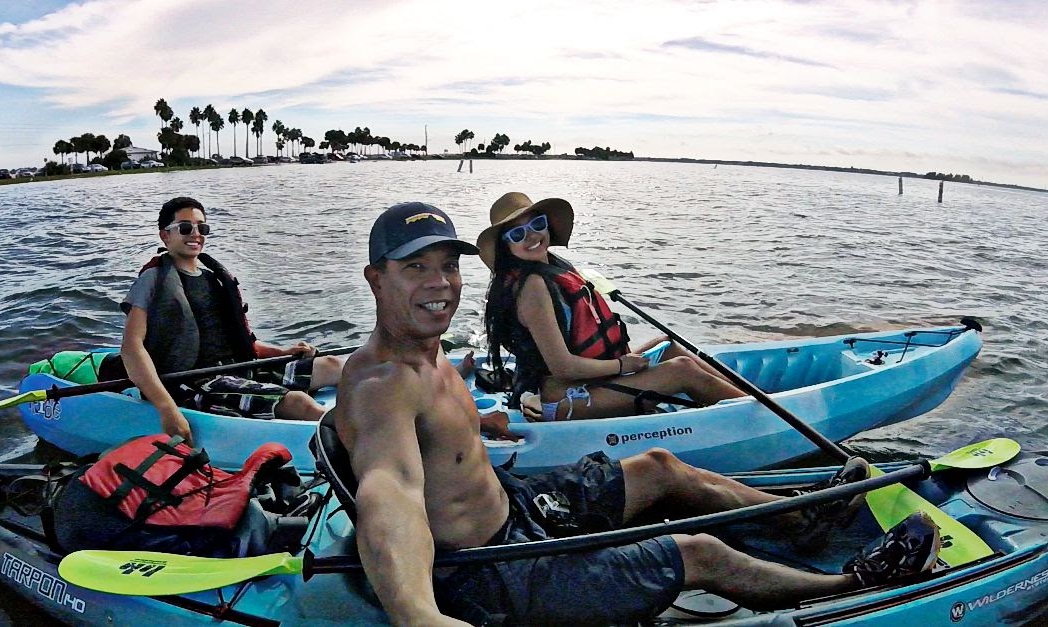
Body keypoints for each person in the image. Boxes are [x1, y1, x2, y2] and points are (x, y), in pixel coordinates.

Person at [329, 201, 941, 625]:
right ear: (375, 279)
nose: (440, 283)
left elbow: (432, 450)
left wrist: (477, 427)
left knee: (657, 466)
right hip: (489, 574)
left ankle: (805, 520)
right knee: (696, 552)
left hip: (510, 502)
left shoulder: (426, 358)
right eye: (416, 268)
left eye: (447, 265)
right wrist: (417, 615)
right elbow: (392, 488)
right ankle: (849, 586)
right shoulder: (380, 384)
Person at [479, 191, 746, 421]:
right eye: (517, 233)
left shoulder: (551, 265)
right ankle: (765, 416)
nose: (532, 235)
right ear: (505, 246)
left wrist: (621, 365)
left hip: (593, 379)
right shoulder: (532, 287)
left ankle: (755, 401)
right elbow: (563, 368)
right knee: (682, 370)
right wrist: (621, 366)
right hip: (563, 399)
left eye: (537, 224)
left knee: (668, 345)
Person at [120, 196, 342, 443]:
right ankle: (354, 441)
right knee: (299, 403)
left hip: (238, 366)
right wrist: (167, 408)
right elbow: (132, 348)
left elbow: (240, 342)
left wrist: (282, 351)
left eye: (202, 228)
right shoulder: (153, 279)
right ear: (165, 236)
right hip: (196, 380)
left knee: (332, 365)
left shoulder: (212, 279)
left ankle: (380, 405)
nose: (196, 234)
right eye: (185, 228)